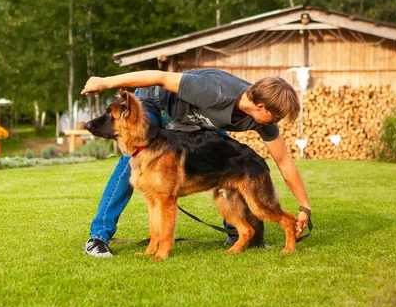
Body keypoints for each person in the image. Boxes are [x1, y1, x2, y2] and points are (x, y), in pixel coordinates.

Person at [80, 69, 311, 258]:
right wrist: (105, 81)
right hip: (156, 102)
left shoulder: (263, 121)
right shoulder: (215, 91)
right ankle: (99, 236)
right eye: (276, 117)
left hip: (197, 118)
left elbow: (283, 160)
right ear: (261, 107)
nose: (276, 123)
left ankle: (239, 231)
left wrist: (304, 206)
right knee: (132, 158)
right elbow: (159, 77)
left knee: (225, 156)